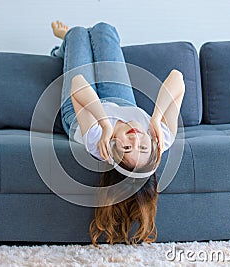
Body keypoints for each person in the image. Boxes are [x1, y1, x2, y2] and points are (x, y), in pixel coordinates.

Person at [50, 21, 185, 246]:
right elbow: (177, 78)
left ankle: (64, 45)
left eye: (127, 147)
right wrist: (156, 117)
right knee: (104, 30)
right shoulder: (160, 138)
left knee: (77, 35)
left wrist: (104, 124)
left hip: (82, 111)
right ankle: (76, 41)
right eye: (143, 147)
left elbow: (78, 84)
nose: (135, 138)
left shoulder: (97, 142)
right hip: (122, 103)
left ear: (113, 150)